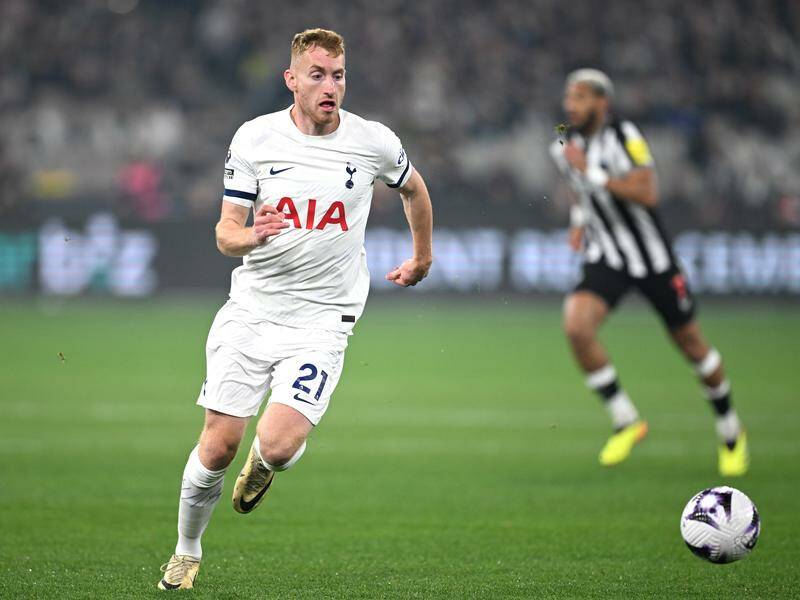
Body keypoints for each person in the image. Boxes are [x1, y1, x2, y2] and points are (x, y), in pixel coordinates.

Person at [157, 28, 434, 591]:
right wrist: (251, 236)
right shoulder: (256, 139)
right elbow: (224, 234)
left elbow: (414, 190)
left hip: (323, 320)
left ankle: (266, 465)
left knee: (279, 447)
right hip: (253, 312)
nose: (330, 86)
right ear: (292, 80)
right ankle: (186, 552)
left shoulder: (374, 141)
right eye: (317, 75)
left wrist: (422, 257)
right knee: (217, 446)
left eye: (338, 75)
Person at [550, 69, 748, 476]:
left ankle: (730, 431)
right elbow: (577, 188)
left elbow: (647, 191)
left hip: (653, 258)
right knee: (576, 326)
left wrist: (594, 172)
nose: (572, 105)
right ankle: (627, 420)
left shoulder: (625, 136)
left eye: (582, 97)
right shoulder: (563, 143)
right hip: (608, 256)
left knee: (692, 345)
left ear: (602, 103)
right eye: (570, 97)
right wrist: (577, 219)